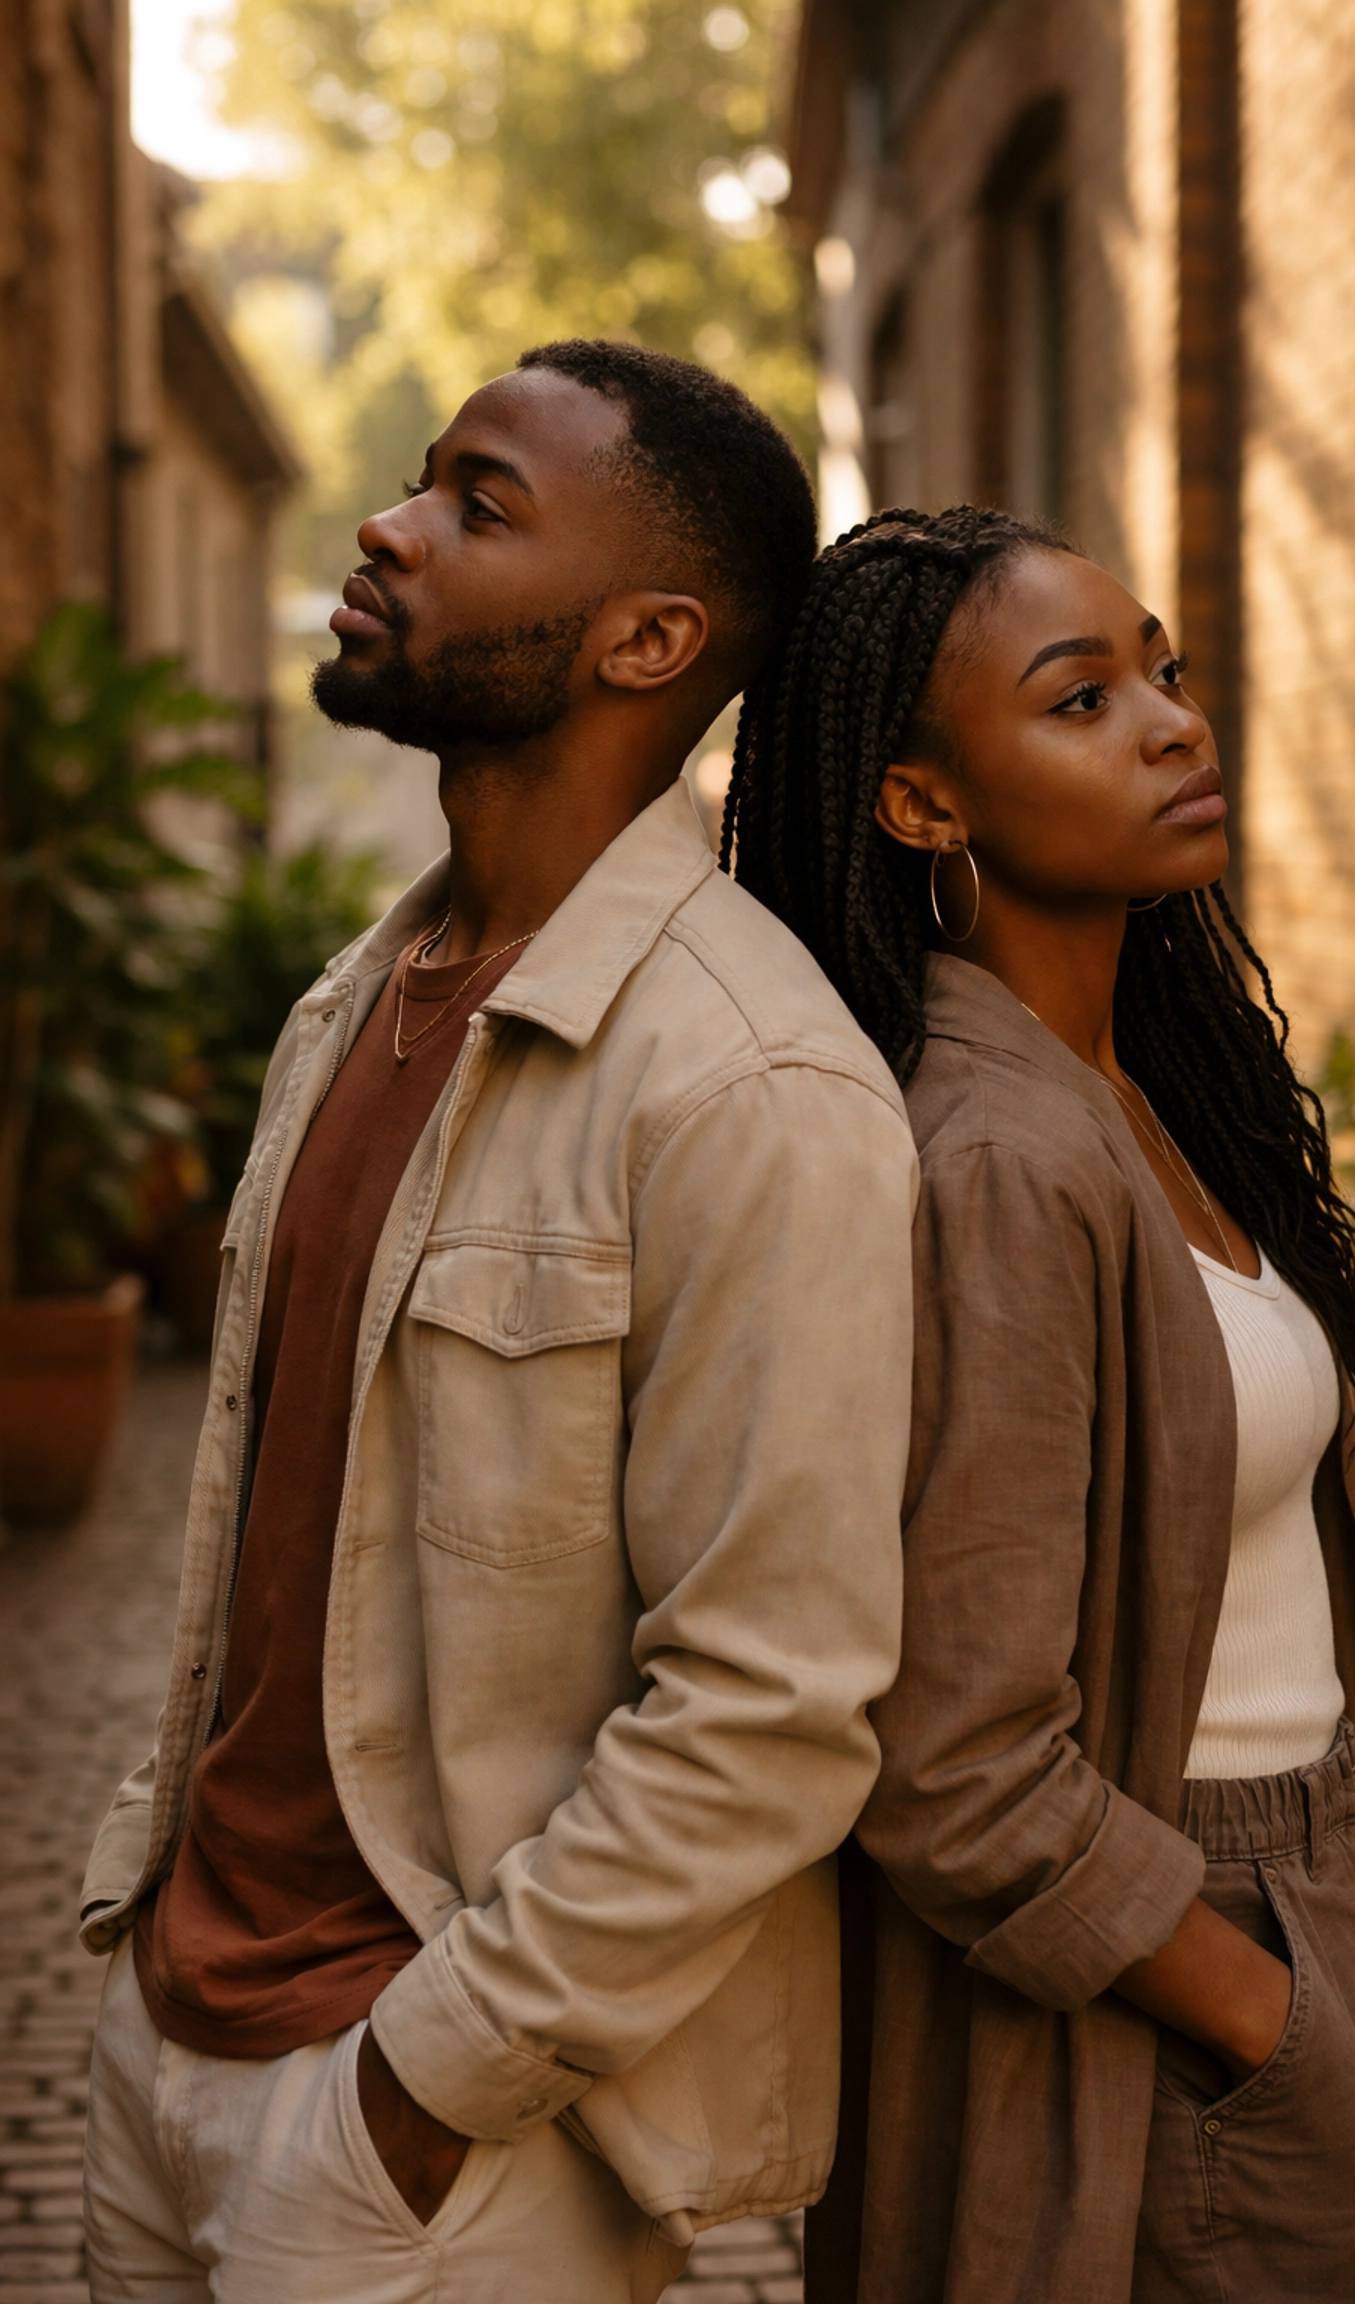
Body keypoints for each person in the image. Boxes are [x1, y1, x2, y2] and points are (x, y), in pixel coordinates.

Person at [78, 344, 919, 2304]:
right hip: (175, 2030)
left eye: (478, 503)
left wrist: (426, 2086)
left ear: (648, 639)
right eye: (417, 481)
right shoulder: (351, 1005)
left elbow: (771, 1711)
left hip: (425, 2151)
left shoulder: (746, 1083)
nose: (386, 529)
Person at [725, 504, 1355, 2304]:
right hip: (1175, 1960)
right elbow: (957, 1766)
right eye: (1081, 699)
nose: (1170, 722)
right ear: (920, 802)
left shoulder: (1135, 1097)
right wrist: (1259, 2006)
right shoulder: (995, 1158)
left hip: (1308, 1878)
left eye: (1167, 671)